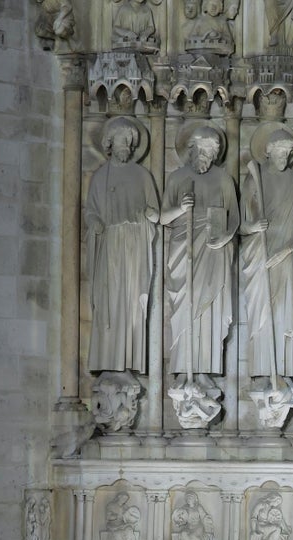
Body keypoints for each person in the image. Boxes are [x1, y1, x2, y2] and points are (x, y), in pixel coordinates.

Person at [160, 124, 238, 379]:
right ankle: (184, 367)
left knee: (210, 309)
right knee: (184, 308)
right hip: (184, 249)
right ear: (191, 149)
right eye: (201, 150)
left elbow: (235, 219)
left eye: (210, 152)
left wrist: (226, 236)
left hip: (214, 252)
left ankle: (205, 368)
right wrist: (182, 208)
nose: (205, 156)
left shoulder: (224, 179)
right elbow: (163, 218)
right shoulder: (177, 178)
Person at [84, 116, 159, 375]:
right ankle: (108, 361)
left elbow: (154, 213)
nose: (125, 146)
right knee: (109, 301)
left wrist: (150, 215)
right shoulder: (100, 176)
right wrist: (94, 222)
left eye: (129, 141)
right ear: (109, 144)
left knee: (131, 302)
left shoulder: (142, 175)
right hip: (110, 246)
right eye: (120, 141)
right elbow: (91, 211)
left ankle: (128, 361)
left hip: (135, 247)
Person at [240, 125, 293, 388]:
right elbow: (243, 224)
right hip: (261, 254)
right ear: (268, 152)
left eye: (288, 153)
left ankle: (285, 371)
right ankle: (263, 371)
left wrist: (287, 249)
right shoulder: (253, 180)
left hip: (288, 257)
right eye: (279, 152)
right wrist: (254, 226)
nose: (284, 157)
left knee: (285, 313)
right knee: (262, 313)